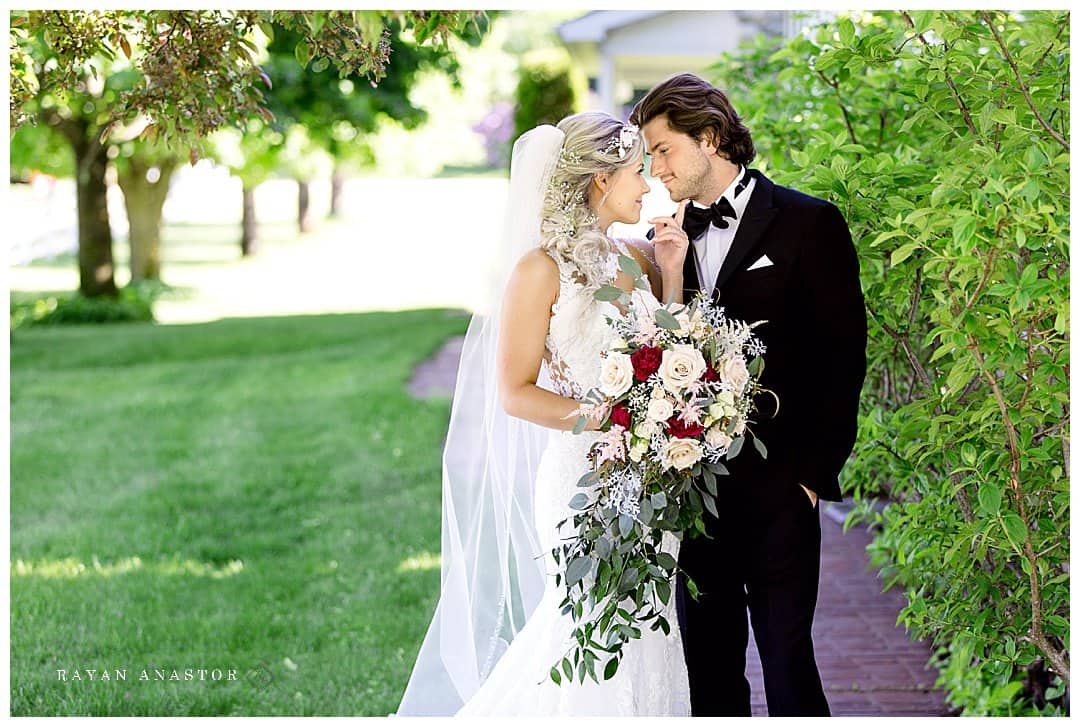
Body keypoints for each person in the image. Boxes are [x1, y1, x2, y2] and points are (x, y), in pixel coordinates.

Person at [394, 111, 694, 717]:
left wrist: (673, 272)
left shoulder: (633, 257)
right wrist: (613, 423)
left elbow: (666, 353)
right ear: (599, 182)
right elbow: (515, 390)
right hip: (581, 481)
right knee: (591, 628)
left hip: (648, 480)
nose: (648, 186)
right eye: (637, 173)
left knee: (649, 632)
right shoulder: (540, 270)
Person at [629, 72, 868, 717]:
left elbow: (841, 358)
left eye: (662, 149)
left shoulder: (808, 222)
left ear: (708, 139)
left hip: (781, 487)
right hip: (693, 493)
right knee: (709, 670)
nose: (654, 167)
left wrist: (813, 477)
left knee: (788, 662)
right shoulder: (661, 241)